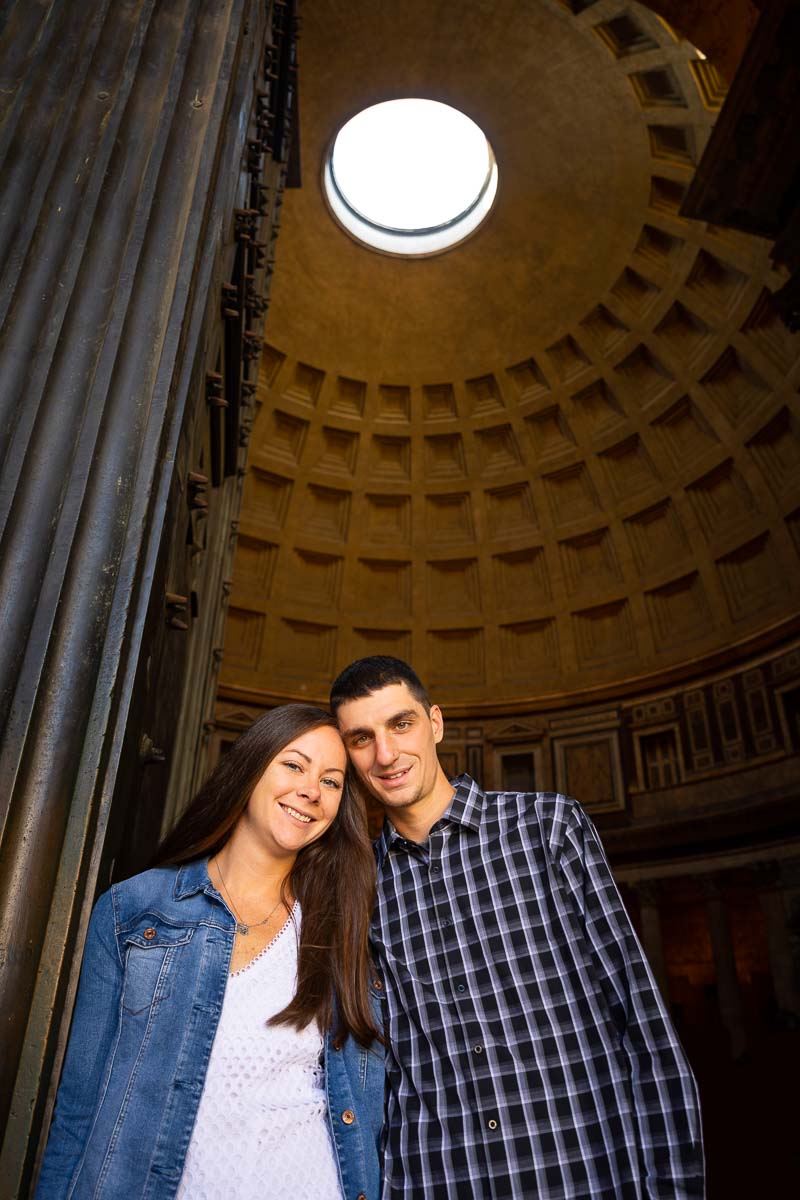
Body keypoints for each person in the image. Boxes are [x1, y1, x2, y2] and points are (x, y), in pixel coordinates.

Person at [330, 656, 705, 1200]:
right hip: (437, 1180)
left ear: (435, 722)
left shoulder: (548, 828)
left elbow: (642, 1025)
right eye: (361, 738)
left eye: (400, 724)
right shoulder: (356, 888)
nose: (385, 755)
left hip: (582, 1175)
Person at [36, 704, 384, 1200]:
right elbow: (78, 1108)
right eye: (294, 765)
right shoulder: (134, 911)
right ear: (250, 768)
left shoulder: (344, 930)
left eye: (331, 781)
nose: (312, 790)